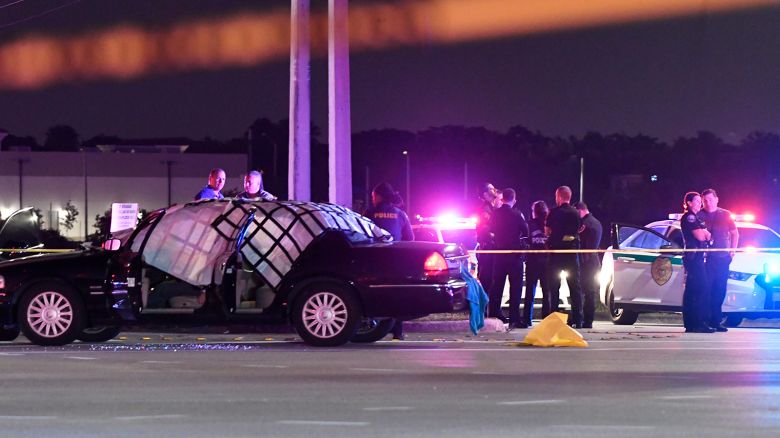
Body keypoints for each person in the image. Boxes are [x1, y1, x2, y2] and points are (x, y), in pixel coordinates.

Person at [364, 182, 414, 339]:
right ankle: (397, 331)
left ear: (378, 196)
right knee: (396, 294)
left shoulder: (369, 213)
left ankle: (371, 326)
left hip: (374, 260)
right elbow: (410, 239)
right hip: (396, 261)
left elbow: (361, 234)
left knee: (373, 293)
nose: (372, 199)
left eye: (373, 196)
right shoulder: (400, 214)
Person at [488, 188, 529, 329]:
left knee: (497, 286)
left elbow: (490, 230)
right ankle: (514, 319)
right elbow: (526, 232)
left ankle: (494, 314)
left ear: (503, 198)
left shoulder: (495, 214)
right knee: (515, 287)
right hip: (514, 255)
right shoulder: (517, 214)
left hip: (499, 254)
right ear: (514, 199)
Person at [698, 189, 738, 332]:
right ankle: (706, 320)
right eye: (705, 200)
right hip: (706, 259)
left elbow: (734, 233)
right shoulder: (699, 215)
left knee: (720, 290)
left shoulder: (725, 214)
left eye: (710, 199)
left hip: (722, 258)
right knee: (706, 290)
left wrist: (732, 251)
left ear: (717, 199)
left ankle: (716, 320)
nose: (708, 202)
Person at [545, 186, 584, 328]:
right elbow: (580, 229)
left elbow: (547, 231)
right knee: (575, 287)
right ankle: (578, 320)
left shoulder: (553, 213)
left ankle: (554, 319)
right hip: (571, 254)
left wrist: (555, 237)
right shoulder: (576, 213)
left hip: (556, 254)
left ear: (559, 197)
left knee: (554, 288)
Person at [680, 191, 714, 333]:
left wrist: (706, 235)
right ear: (689, 203)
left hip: (699, 258)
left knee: (695, 290)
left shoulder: (698, 218)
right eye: (697, 201)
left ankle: (694, 323)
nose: (700, 203)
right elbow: (701, 236)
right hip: (693, 258)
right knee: (701, 289)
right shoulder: (690, 217)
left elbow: (709, 236)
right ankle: (697, 323)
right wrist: (705, 234)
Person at [522, 200, 550, 325]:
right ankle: (547, 320)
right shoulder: (549, 224)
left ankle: (527, 319)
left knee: (530, 291)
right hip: (547, 262)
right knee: (547, 292)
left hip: (532, 261)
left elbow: (525, 241)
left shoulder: (529, 224)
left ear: (534, 212)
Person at [575, 201, 603, 329]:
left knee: (582, 291)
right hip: (593, 260)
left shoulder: (585, 224)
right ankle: (588, 320)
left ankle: (582, 319)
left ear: (579, 210)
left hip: (585, 261)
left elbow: (580, 241)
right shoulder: (597, 222)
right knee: (590, 291)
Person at [475, 183, 499, 305]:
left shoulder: (491, 207)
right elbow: (484, 229)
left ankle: (490, 311)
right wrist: (496, 236)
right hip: (487, 249)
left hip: (490, 249)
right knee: (487, 281)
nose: (494, 190)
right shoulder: (485, 209)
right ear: (485, 194)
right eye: (491, 189)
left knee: (491, 281)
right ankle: (483, 312)